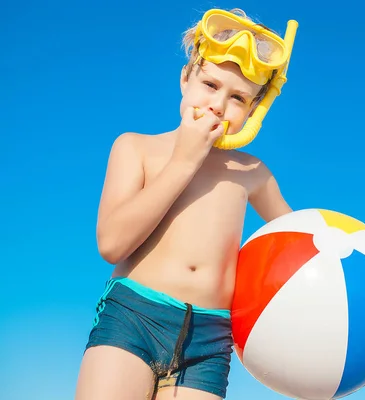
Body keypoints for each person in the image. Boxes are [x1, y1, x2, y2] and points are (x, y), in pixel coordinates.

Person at [75, 7, 295, 400]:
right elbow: (112, 244)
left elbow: (299, 246)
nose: (218, 105)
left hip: (209, 341)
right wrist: (184, 161)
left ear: (255, 109)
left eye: (238, 98)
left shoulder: (252, 173)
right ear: (185, 78)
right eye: (210, 84)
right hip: (133, 316)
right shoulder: (136, 148)